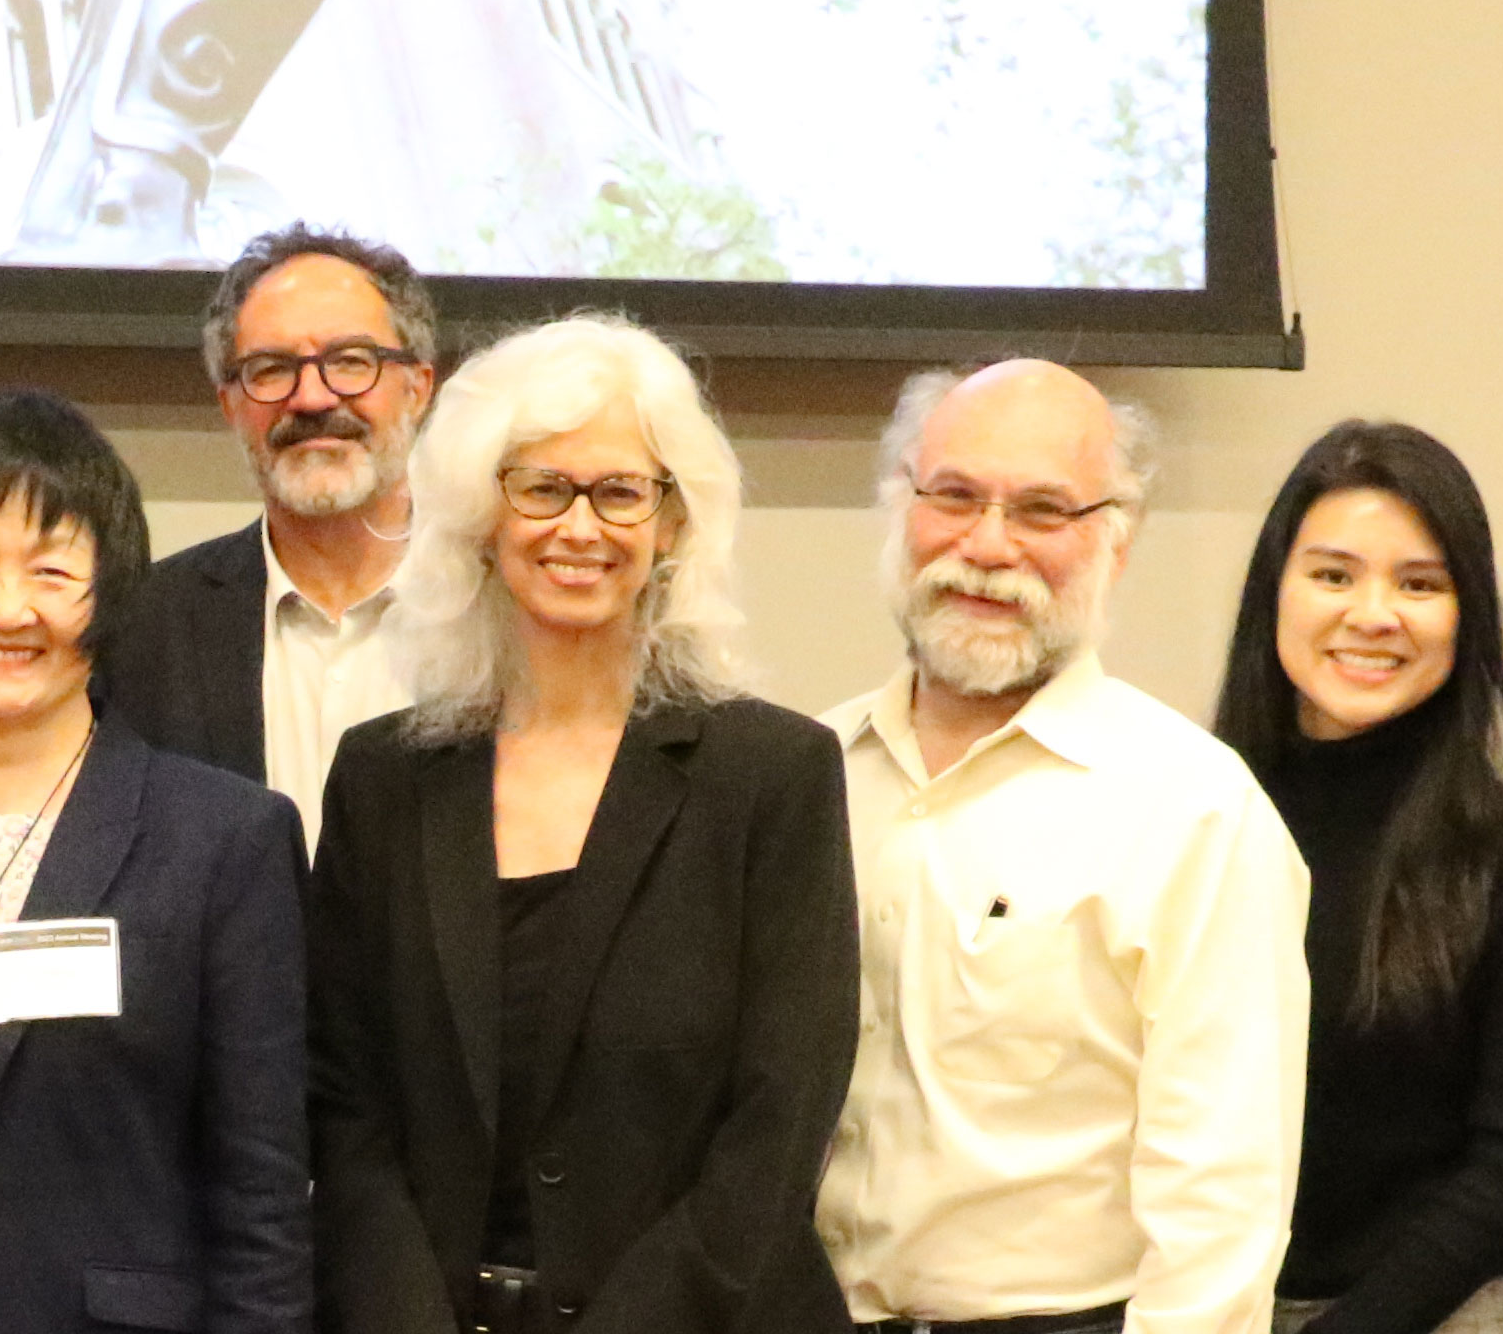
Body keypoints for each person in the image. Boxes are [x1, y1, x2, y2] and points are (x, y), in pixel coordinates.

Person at [303, 316, 861, 1333]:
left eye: (618, 491)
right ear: (481, 513)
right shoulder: (381, 780)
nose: (579, 527)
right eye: (541, 487)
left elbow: (777, 1124)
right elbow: (343, 1106)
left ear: (672, 524)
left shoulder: (771, 775)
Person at [0, 391, 316, 1334]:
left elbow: (262, 1203)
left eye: (51, 570)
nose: (7, 607)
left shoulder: (221, 840)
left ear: (110, 592)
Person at [812, 359, 1305, 1334]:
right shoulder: (806, 773)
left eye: (1041, 510)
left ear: (1114, 543)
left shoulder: (1192, 811)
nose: (986, 545)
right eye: (952, 495)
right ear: (899, 508)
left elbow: (1218, 1206)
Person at [1206, 424, 1503, 1334]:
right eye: (1333, 574)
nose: (1373, 613)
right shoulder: (1190, 814)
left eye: (1418, 583)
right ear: (1275, 591)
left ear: (1466, 615)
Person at [92, 226, 437, 841]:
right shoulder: (141, 628)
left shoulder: (504, 611)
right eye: (271, 369)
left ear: (418, 387)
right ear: (228, 403)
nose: (310, 397)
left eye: (351, 361)